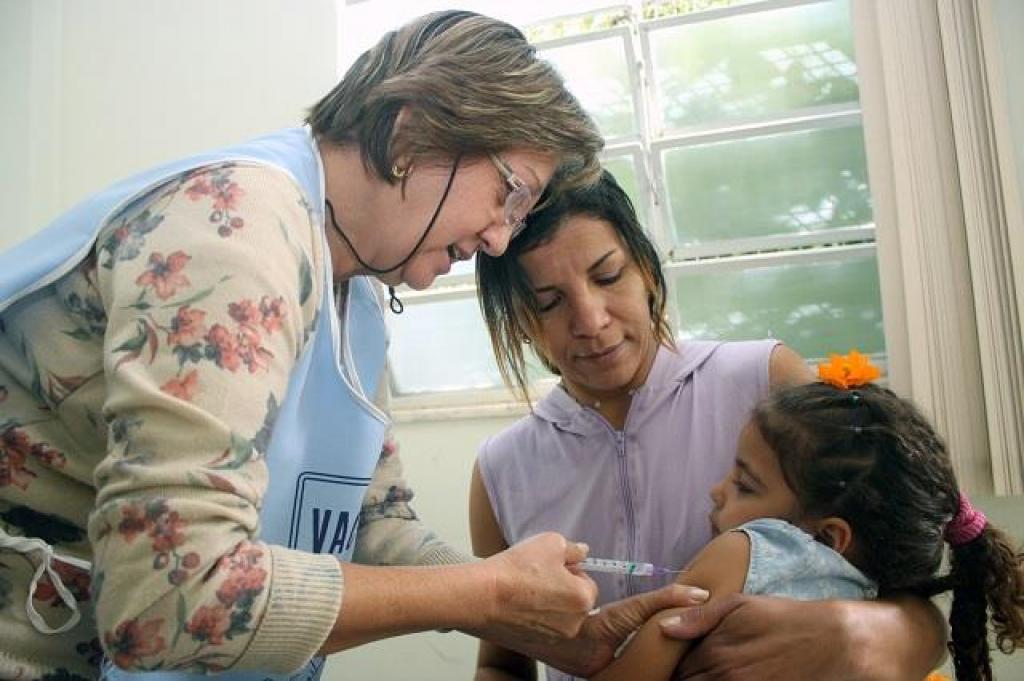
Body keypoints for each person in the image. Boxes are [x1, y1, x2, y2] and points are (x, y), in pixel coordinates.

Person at [0, 12, 706, 680]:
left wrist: (541, 622)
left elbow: (373, 519)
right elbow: (170, 596)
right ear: (408, 137)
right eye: (510, 194)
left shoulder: (355, 296)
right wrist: (489, 593)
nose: (500, 239)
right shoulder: (237, 233)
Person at [472, 171, 947, 680]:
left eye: (608, 276)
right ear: (518, 322)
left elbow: (903, 586)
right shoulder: (502, 469)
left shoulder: (766, 383)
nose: (591, 320)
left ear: (647, 270)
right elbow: (502, 663)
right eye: (548, 302)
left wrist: (859, 631)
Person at [593, 352, 1024, 681]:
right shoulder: (878, 603)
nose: (716, 490)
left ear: (830, 537)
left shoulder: (743, 552)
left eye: (745, 485)